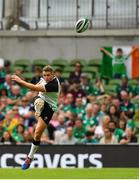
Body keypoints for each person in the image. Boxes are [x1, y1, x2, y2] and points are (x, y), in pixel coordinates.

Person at [11, 65, 61, 170]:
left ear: (53, 75)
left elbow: (34, 87)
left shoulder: (54, 85)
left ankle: (30, 157)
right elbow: (36, 87)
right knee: (39, 101)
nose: (46, 77)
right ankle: (38, 108)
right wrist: (35, 94)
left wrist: (21, 81)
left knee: (37, 134)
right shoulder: (43, 79)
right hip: (40, 100)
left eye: (48, 75)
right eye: (45, 75)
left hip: (50, 108)